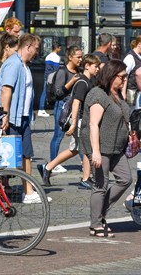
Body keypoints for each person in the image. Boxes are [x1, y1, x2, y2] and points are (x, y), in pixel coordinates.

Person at [0, 34, 49, 203]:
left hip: (22, 117)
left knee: (26, 154)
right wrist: (5, 115)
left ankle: (28, 191)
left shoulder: (24, 65)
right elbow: (6, 90)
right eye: (36, 48)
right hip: (12, 116)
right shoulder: (14, 64)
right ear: (28, 47)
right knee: (0, 155)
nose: (37, 52)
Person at [80, 60, 133, 238]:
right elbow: (93, 124)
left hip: (116, 147)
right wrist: (95, 151)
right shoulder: (98, 94)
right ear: (111, 75)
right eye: (122, 77)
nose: (124, 80)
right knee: (100, 185)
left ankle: (100, 212)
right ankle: (95, 224)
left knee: (125, 179)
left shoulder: (116, 94)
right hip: (101, 146)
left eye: (126, 77)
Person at [38, 54, 101, 189]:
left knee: (75, 149)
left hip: (82, 121)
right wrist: (73, 124)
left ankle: (47, 167)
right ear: (87, 66)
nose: (97, 69)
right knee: (85, 149)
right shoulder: (82, 83)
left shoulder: (89, 81)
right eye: (95, 67)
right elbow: (76, 104)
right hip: (80, 121)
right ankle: (85, 178)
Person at [48, 46, 83, 166]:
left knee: (80, 137)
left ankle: (85, 165)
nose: (80, 59)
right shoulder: (62, 72)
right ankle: (53, 164)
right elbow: (58, 93)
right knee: (58, 136)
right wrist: (71, 82)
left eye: (81, 56)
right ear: (70, 57)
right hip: (62, 107)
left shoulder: (79, 71)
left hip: (75, 108)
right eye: (78, 57)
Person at [122, 35, 141, 107]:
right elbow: (124, 76)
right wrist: (123, 92)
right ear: (139, 44)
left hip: (139, 92)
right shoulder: (130, 57)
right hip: (132, 92)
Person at [38, 43, 61, 117]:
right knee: (55, 92)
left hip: (46, 76)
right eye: (59, 48)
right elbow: (56, 69)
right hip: (53, 77)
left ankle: (41, 108)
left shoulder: (48, 56)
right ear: (57, 48)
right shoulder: (57, 57)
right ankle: (52, 109)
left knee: (44, 92)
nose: (60, 49)